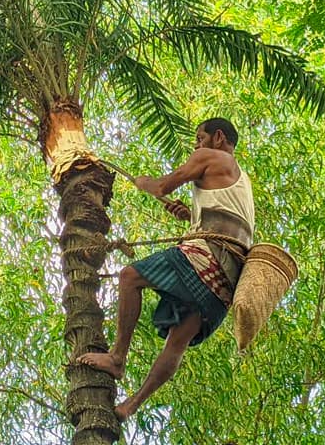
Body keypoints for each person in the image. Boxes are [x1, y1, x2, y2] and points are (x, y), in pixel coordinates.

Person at [79, 117, 255, 421]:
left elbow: (162, 186)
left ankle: (117, 357)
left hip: (204, 259)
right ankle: (130, 406)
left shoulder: (212, 156)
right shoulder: (241, 179)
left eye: (199, 138)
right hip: (225, 281)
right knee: (177, 341)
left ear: (218, 137)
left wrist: (145, 183)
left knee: (130, 277)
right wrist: (190, 215)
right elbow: (230, 224)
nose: (196, 145)